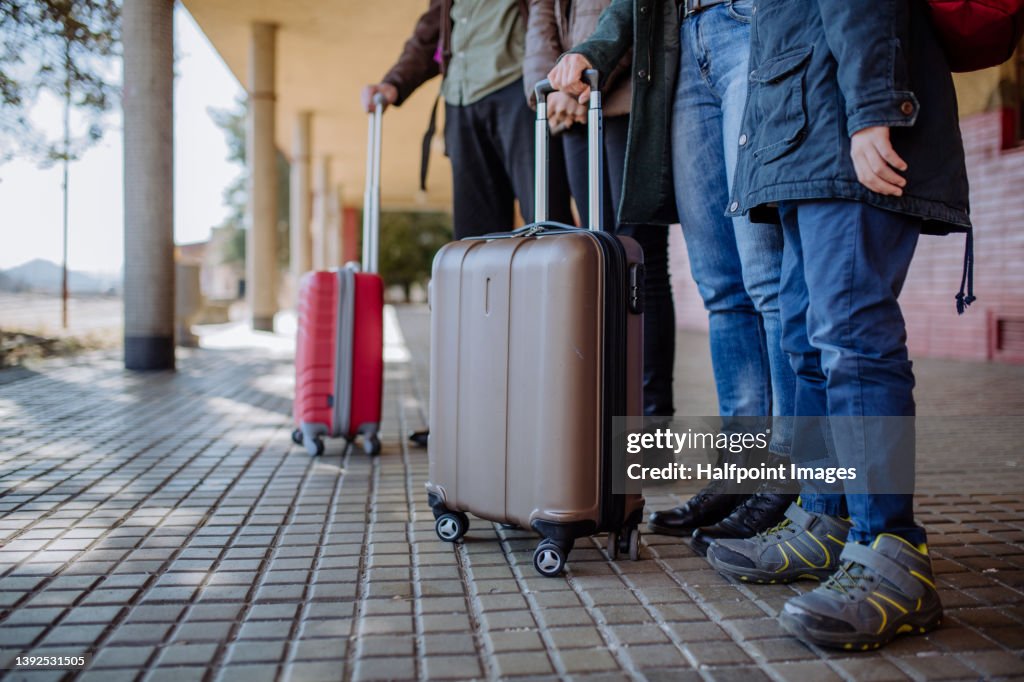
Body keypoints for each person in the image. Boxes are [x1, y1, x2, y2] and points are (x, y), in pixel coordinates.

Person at [701, 0, 971, 650]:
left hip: (843, 119)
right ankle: (824, 516)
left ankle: (890, 549)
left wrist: (872, 105)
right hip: (801, 138)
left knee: (852, 341)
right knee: (804, 344)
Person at [548, 0, 796, 551]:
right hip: (681, 45)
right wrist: (593, 49)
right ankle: (742, 470)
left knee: (766, 276)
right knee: (722, 289)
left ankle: (787, 472)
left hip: (751, 25)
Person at [363, 0, 575, 448]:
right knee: (476, 266)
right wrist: (393, 84)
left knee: (553, 240)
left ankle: (560, 407)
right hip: (462, 104)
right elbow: (428, 36)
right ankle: (472, 412)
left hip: (519, 93)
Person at [523, 0, 675, 417]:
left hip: (625, 98)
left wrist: (593, 70)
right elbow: (543, 15)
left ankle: (650, 417)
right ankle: (609, 406)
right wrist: (550, 84)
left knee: (638, 260)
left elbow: (637, 12)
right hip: (572, 107)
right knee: (600, 257)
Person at [362, 0, 574, 240]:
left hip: (518, 89)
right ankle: (482, 279)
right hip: (461, 99)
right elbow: (432, 33)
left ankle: (559, 276)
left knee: (545, 218)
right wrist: (395, 81)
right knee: (475, 232)